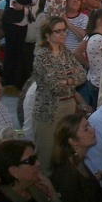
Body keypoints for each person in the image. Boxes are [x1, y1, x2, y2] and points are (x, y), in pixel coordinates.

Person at [31, 15, 87, 177]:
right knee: (46, 155)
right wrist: (71, 79)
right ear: (47, 34)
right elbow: (54, 86)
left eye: (64, 30)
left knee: (66, 153)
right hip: (49, 112)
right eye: (58, 31)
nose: (63, 34)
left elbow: (82, 75)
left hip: (69, 107)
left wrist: (66, 80)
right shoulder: (42, 56)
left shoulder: (66, 53)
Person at [1, 0, 37, 89]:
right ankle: (9, 79)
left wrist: (30, 0)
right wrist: (29, 0)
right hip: (12, 19)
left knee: (19, 51)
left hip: (23, 20)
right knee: (11, 51)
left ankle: (17, 80)